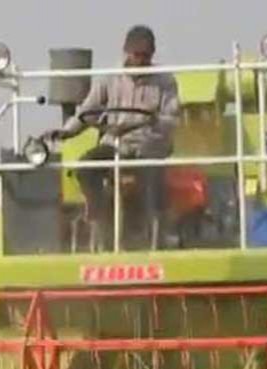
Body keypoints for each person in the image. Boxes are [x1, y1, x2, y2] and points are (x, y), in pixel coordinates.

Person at [45, 25, 180, 249]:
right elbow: (87, 111)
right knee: (87, 167)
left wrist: (156, 122)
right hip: (115, 144)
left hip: (149, 146)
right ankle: (98, 216)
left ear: (152, 55)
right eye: (137, 54)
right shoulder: (109, 79)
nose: (141, 60)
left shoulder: (165, 82)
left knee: (153, 181)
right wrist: (66, 132)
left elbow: (172, 117)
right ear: (126, 52)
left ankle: (153, 231)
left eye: (146, 55)